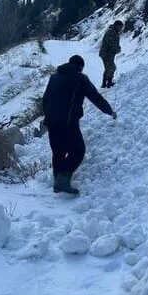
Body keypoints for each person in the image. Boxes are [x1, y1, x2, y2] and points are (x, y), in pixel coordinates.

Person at [41, 55, 115, 195]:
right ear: (80, 67)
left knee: (58, 152)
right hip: (68, 123)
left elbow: (45, 99)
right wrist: (110, 111)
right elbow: (96, 98)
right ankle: (62, 181)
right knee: (78, 150)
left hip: (51, 122)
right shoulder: (80, 78)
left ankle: (57, 182)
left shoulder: (54, 77)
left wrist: (49, 117)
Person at [99, 20, 123, 88]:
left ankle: (104, 84)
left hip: (109, 53)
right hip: (106, 53)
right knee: (111, 67)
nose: (121, 29)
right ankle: (108, 82)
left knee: (108, 68)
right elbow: (110, 43)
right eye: (120, 27)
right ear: (116, 26)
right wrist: (117, 49)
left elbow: (114, 43)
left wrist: (117, 48)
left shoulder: (114, 32)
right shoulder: (111, 32)